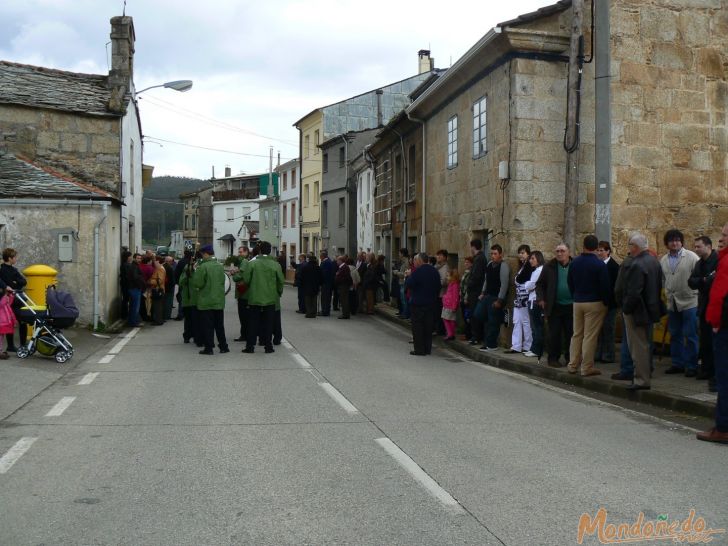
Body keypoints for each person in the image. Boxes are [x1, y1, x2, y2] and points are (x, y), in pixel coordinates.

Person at [696, 222, 728, 444]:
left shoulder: (725, 261)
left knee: (724, 378)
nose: (722, 237)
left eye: (725, 235)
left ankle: (724, 427)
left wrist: (716, 322)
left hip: (724, 328)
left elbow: (720, 295)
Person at [622, 232, 665, 391]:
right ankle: (644, 376)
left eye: (630, 245)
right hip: (651, 308)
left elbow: (634, 292)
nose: (629, 249)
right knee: (646, 344)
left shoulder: (637, 264)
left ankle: (641, 379)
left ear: (635, 247)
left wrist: (626, 309)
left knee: (638, 347)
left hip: (638, 311)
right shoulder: (654, 261)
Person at [566, 235, 610, 377]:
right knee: (590, 336)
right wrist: (606, 301)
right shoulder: (599, 265)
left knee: (577, 334)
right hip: (594, 302)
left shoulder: (574, 263)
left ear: (583, 246)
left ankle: (573, 364)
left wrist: (575, 295)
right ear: (596, 248)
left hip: (578, 301)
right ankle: (586, 367)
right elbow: (605, 286)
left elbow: (570, 282)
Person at [660, 229, 700, 377]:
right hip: (673, 302)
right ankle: (677, 363)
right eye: (671, 240)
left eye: (677, 240)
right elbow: (664, 280)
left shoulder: (691, 257)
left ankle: (692, 365)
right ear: (667, 243)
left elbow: (699, 277)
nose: (674, 243)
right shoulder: (663, 260)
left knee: (690, 335)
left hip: (690, 301)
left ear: (681, 241)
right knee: (675, 334)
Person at [688, 235, 719, 391]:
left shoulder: (718, 261)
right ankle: (706, 369)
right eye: (695, 246)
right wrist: (703, 281)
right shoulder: (699, 264)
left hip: (714, 307)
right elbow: (691, 282)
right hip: (703, 307)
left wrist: (704, 281)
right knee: (705, 341)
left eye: (698, 246)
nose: (696, 249)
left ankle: (715, 373)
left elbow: (714, 282)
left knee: (715, 343)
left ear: (708, 246)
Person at [242, 241, 284, 353]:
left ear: (260, 250)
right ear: (270, 251)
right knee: (269, 323)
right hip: (270, 298)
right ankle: (268, 346)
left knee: (253, 323)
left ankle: (250, 346)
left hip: (255, 297)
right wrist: (279, 292)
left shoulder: (252, 264)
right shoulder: (276, 265)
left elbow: (246, 280)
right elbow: (281, 281)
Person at [536, 243, 573, 367]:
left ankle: (570, 358)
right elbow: (540, 284)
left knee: (571, 334)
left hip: (572, 306)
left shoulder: (574, 265)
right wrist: (541, 299)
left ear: (568, 252)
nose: (559, 253)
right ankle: (553, 358)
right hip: (555, 305)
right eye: (557, 251)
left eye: (562, 251)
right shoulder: (549, 266)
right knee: (554, 334)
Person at [192, 245, 229, 355]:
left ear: (206, 253)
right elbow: (223, 281)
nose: (202, 256)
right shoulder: (220, 266)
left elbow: (198, 283)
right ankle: (223, 346)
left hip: (206, 300)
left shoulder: (202, 267)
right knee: (219, 325)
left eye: (202, 254)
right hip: (218, 300)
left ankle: (209, 348)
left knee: (207, 326)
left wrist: (195, 272)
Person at [404, 253, 441, 356]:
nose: (414, 262)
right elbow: (438, 286)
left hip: (418, 303)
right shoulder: (434, 271)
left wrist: (408, 276)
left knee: (418, 327)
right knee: (428, 327)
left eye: (415, 260)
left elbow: (409, 284)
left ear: (420, 261)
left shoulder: (417, 272)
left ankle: (419, 349)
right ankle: (427, 349)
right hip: (431, 303)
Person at [477, 244, 511, 351]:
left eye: (495, 254)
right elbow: (486, 280)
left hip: (496, 297)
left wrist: (500, 300)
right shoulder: (490, 264)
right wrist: (483, 292)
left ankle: (491, 344)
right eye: (491, 253)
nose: (493, 256)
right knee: (480, 315)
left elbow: (504, 284)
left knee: (493, 321)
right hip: (488, 295)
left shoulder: (503, 266)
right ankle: (487, 341)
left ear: (500, 254)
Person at [595, 241, 620, 363]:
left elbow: (616, 286)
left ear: (608, 251)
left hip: (610, 303)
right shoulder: (596, 264)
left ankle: (608, 355)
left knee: (608, 329)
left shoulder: (614, 266)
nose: (599, 253)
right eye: (598, 250)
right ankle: (598, 353)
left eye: (602, 250)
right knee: (598, 329)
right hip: (598, 302)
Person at [0, 248, 28, 352]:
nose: (16, 259)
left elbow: (23, 282)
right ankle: (17, 345)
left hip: (15, 298)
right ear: (9, 258)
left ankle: (18, 345)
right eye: (15, 257)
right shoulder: (3, 270)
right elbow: (11, 283)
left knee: (18, 321)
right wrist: (14, 283)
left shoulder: (13, 269)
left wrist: (14, 283)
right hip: (9, 299)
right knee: (17, 321)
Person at [507, 244, 533, 354]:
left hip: (525, 298)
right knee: (516, 321)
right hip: (519, 298)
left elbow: (522, 280)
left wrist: (517, 280)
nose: (520, 255)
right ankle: (516, 345)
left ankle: (528, 345)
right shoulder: (522, 265)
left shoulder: (529, 266)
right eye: (519, 253)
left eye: (523, 253)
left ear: (528, 253)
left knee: (526, 322)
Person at [525, 251, 545, 359]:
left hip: (534, 301)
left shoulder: (539, 271)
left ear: (538, 258)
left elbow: (531, 285)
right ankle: (534, 348)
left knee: (536, 327)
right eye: (530, 259)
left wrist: (527, 285)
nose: (530, 261)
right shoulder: (536, 270)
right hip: (532, 300)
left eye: (533, 258)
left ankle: (536, 350)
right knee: (535, 327)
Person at [466, 240, 487, 345]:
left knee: (475, 314)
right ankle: (476, 335)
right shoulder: (479, 258)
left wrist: (469, 285)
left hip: (475, 291)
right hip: (476, 290)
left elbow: (476, 276)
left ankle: (476, 336)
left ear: (473, 247)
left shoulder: (479, 259)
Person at [178, 254, 200, 345]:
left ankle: (196, 336)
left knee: (196, 320)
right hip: (187, 299)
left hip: (197, 300)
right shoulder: (187, 268)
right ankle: (187, 336)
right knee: (188, 320)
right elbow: (181, 282)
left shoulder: (200, 269)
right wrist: (187, 274)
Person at [231, 246, 250, 342]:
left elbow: (240, 276)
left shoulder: (244, 262)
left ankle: (245, 335)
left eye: (241, 252)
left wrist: (234, 274)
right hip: (243, 293)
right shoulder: (244, 262)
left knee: (243, 316)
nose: (239, 254)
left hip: (244, 294)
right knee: (243, 316)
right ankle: (245, 334)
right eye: (239, 252)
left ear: (246, 252)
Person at [126, 253, 145, 327]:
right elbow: (135, 278)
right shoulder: (134, 266)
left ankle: (131, 321)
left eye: (140, 258)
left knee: (132, 306)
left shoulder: (134, 266)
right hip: (135, 288)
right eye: (138, 258)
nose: (139, 260)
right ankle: (133, 322)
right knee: (135, 307)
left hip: (133, 288)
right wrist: (140, 285)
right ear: (134, 258)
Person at [301, 253, 322, 318]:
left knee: (308, 300)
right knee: (314, 300)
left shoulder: (305, 267)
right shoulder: (317, 268)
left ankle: (309, 313)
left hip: (307, 286)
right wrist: (320, 284)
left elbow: (302, 277)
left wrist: (303, 284)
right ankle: (313, 313)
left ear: (309, 260)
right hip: (315, 286)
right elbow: (320, 277)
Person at [433, 250, 450, 335]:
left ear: (444, 257)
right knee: (436, 312)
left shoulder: (445, 267)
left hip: (442, 293)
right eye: (437, 255)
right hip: (436, 293)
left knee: (439, 312)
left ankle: (440, 330)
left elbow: (444, 282)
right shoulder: (436, 266)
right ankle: (436, 328)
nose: (438, 257)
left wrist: (435, 282)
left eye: (440, 256)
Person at [441, 269, 460, 341]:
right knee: (447, 319)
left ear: (452, 277)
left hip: (450, 305)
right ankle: (450, 333)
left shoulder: (454, 285)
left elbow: (455, 296)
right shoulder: (451, 284)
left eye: (448, 276)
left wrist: (454, 306)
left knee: (448, 319)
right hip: (447, 304)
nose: (446, 277)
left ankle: (450, 334)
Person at [148, 256, 166, 326]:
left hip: (158, 289)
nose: (153, 262)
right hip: (159, 289)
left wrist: (150, 281)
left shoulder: (160, 269)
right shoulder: (160, 268)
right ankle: (158, 320)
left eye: (154, 261)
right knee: (157, 306)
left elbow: (159, 280)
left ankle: (158, 321)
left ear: (158, 261)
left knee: (157, 306)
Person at [0, 289, 17, 359]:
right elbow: (1, 303)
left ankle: (0, 350)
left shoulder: (5, 301)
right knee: (0, 336)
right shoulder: (2, 300)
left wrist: (10, 295)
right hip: (2, 321)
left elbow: (9, 302)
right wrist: (5, 295)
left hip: (4, 321)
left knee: (1, 336)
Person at [460, 256, 473, 340]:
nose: (466, 264)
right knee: (465, 316)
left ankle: (468, 335)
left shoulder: (471, 273)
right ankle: (466, 333)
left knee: (467, 317)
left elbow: (469, 286)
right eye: (465, 262)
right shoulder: (466, 272)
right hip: (462, 296)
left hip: (467, 297)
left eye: (467, 262)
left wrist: (466, 298)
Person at [394, 249, 411, 319]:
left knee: (404, 300)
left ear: (402, 254)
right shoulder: (404, 262)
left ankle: (405, 314)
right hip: (401, 282)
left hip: (404, 283)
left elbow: (405, 274)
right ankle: (403, 313)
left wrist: (396, 273)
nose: (399, 255)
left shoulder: (406, 262)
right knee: (402, 299)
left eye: (399, 253)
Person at [319, 250, 335, 316]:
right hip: (327, 283)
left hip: (326, 283)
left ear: (322, 256)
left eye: (320, 256)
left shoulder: (326, 262)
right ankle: (325, 310)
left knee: (325, 298)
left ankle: (325, 311)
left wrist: (320, 281)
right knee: (326, 297)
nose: (320, 257)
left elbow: (323, 273)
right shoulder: (328, 261)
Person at [120, 250, 132, 320]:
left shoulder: (125, 264)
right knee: (125, 300)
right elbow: (128, 276)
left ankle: (124, 314)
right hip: (126, 285)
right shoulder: (126, 265)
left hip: (125, 284)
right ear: (127, 257)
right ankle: (124, 315)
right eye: (130, 256)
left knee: (125, 299)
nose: (131, 257)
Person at [163, 255, 176, 320]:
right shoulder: (170, 268)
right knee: (168, 302)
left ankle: (164, 315)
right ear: (170, 261)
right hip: (169, 287)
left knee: (164, 302)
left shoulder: (162, 266)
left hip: (163, 286)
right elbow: (172, 279)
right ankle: (167, 316)